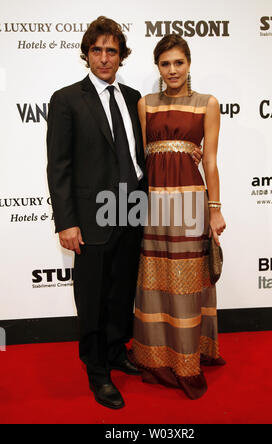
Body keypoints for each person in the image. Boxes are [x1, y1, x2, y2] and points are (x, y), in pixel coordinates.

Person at [47, 17, 202, 409]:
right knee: (93, 296)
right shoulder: (67, 100)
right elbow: (59, 166)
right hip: (92, 215)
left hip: (132, 208)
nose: (104, 58)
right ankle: (96, 370)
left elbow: (141, 156)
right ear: (86, 54)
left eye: (111, 51)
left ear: (122, 56)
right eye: (96, 50)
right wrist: (66, 221)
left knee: (120, 293)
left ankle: (117, 352)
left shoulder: (135, 97)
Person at [131, 34, 226, 400]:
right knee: (155, 280)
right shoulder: (146, 105)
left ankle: (188, 361)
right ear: (158, 67)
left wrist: (215, 210)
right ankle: (155, 357)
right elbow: (142, 160)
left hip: (189, 203)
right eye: (165, 64)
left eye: (178, 63)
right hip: (154, 204)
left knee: (186, 283)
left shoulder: (207, 104)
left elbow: (212, 162)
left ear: (189, 64)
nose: (172, 70)